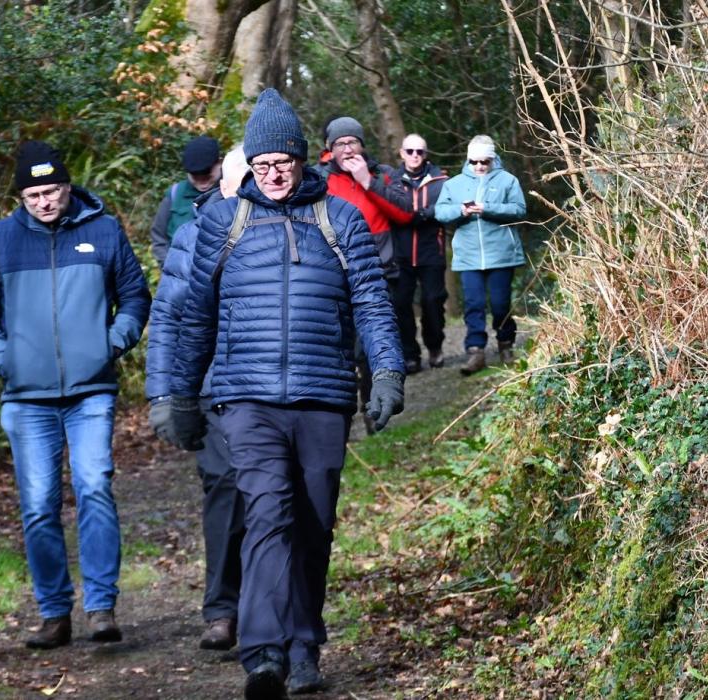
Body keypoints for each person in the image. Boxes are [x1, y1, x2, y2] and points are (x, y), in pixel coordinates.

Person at [154, 89, 404, 698]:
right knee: (268, 514)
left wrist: (388, 372)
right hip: (248, 398)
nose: (271, 177)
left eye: (281, 165)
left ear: (301, 161)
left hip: (322, 396)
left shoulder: (339, 218)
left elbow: (372, 301)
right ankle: (263, 653)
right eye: (261, 167)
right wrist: (180, 396)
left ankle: (304, 644)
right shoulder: (223, 220)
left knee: (314, 523)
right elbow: (196, 317)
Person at [0, 140, 151, 649]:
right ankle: (53, 612)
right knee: (40, 504)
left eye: (52, 191)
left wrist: (112, 343)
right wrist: (7, 360)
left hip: (92, 391)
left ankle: (101, 607)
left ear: (68, 187)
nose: (45, 202)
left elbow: (134, 293)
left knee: (93, 485)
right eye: (34, 194)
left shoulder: (104, 231)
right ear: (21, 197)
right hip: (26, 398)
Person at [146, 145, 249, 651]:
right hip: (213, 389)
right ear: (221, 184)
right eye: (240, 177)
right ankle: (224, 609)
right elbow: (167, 318)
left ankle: (274, 614)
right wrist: (166, 394)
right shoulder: (193, 235)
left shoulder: (303, 224)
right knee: (226, 487)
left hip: (280, 390)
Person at [313, 117, 412, 431]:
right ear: (330, 150)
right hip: (335, 275)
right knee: (344, 347)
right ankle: (346, 409)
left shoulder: (382, 173)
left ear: (361, 145)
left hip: (381, 273)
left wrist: (367, 182)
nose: (347, 148)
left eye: (352, 142)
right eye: (340, 144)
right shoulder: (319, 179)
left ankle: (373, 409)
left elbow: (405, 212)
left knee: (371, 346)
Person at [434, 135, 526, 375]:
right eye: (474, 161)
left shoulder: (508, 181)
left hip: (501, 254)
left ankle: (506, 344)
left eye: (484, 161)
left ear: (493, 158)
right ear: (468, 159)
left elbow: (519, 210)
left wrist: (488, 209)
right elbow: (440, 212)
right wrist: (461, 210)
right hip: (468, 255)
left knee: (500, 304)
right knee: (473, 304)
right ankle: (475, 351)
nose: (479, 167)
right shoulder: (453, 184)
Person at [390, 134, 449, 373]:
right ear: (401, 153)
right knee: (400, 304)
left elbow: (450, 205)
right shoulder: (390, 180)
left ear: (426, 154)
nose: (415, 155)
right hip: (399, 252)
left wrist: (425, 213)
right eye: (410, 151)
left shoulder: (441, 180)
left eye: (420, 151)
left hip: (431, 250)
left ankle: (435, 346)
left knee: (433, 301)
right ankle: (410, 355)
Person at [151, 135, 222, 266]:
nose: (202, 183)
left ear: (220, 163)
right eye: (195, 177)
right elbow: (158, 237)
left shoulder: (231, 191)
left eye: (207, 176)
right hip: (180, 277)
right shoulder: (175, 194)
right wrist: (171, 267)